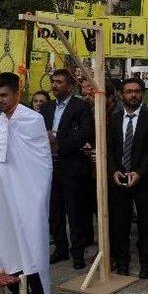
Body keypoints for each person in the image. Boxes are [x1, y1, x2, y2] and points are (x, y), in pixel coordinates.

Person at [0, 72, 52, 294]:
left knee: (31, 239)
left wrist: (36, 194)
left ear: (17, 93)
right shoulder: (0, 120)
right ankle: (16, 290)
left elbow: (40, 160)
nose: (0, 100)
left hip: (28, 191)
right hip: (4, 191)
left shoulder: (32, 119)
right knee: (9, 241)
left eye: (4, 95)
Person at [40, 69, 94, 270]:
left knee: (75, 211)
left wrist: (59, 143)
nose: (54, 85)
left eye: (59, 82)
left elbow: (85, 132)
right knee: (55, 211)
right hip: (49, 166)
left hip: (71, 166)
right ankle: (60, 248)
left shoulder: (80, 106)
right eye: (53, 81)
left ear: (69, 86)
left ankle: (77, 252)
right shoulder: (46, 108)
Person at [107, 77, 148, 279]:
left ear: (143, 93)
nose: (133, 95)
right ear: (121, 94)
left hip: (143, 180)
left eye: (137, 91)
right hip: (119, 178)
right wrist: (113, 171)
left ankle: (147, 263)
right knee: (120, 224)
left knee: (146, 224)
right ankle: (122, 263)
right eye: (129, 91)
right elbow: (109, 149)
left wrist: (140, 172)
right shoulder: (114, 118)